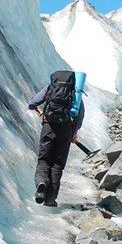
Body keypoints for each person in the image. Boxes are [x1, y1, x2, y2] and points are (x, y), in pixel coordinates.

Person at [28, 72, 85, 207]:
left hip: (48, 127)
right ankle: (50, 200)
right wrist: (74, 132)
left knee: (44, 160)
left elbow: (32, 103)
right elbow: (80, 115)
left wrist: (38, 110)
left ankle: (41, 183)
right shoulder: (75, 93)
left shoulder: (50, 88)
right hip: (66, 130)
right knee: (57, 165)